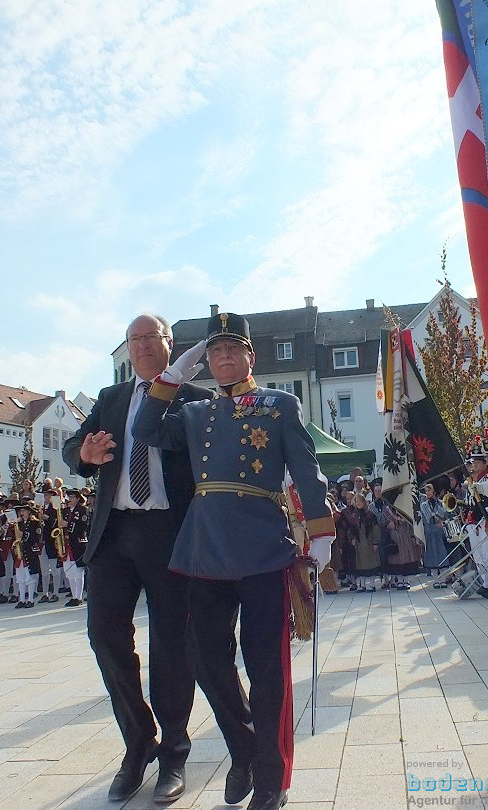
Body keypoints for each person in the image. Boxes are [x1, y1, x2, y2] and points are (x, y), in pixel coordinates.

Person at [133, 312, 335, 810]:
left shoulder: (279, 404)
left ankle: (271, 778)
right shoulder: (196, 410)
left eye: (232, 350)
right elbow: (144, 429)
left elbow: (307, 469)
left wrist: (321, 532)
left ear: (250, 356)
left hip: (262, 545)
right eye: (215, 351)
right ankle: (244, 749)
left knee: (265, 666)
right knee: (206, 661)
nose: (223, 358)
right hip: (204, 548)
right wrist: (171, 376)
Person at [62, 312, 209, 804]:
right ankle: (138, 740)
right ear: (127, 350)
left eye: (152, 337)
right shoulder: (110, 399)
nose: (143, 345)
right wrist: (83, 454)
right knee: (103, 634)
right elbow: (70, 449)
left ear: (169, 344)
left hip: (170, 531)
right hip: (115, 532)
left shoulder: (195, 400)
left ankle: (173, 753)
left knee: (172, 642)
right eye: (135, 339)